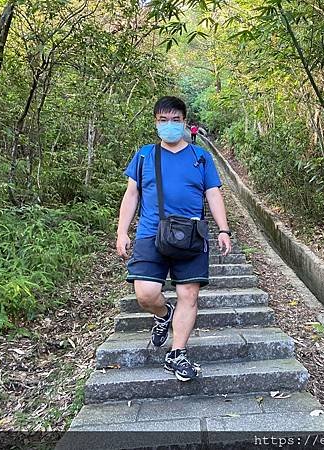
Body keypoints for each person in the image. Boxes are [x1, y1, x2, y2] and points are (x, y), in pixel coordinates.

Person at [116, 96, 232, 381]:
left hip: (191, 235)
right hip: (150, 233)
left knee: (188, 294)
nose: (169, 125)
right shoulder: (144, 155)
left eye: (175, 120)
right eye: (163, 120)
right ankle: (162, 313)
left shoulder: (200, 156)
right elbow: (132, 194)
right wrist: (122, 231)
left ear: (184, 123)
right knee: (145, 293)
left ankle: (177, 353)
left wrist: (223, 229)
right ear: (156, 122)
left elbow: (213, 193)